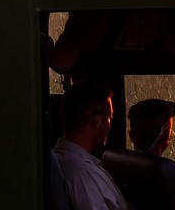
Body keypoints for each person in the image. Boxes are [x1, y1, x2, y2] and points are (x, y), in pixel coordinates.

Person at [54, 80, 127, 210]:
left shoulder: (61, 159)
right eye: (109, 117)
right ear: (97, 121)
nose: (109, 125)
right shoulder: (83, 175)